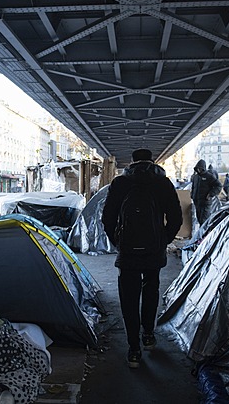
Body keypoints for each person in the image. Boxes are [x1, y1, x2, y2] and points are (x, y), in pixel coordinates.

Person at [101, 148, 182, 369]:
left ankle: (133, 349)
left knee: (128, 298)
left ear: (132, 162)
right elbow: (176, 217)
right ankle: (148, 334)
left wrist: (118, 241)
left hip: (128, 251)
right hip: (153, 251)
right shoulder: (162, 183)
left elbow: (107, 217)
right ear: (152, 161)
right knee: (151, 289)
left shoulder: (120, 184)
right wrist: (163, 240)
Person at [191, 159, 222, 225]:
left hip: (205, 203)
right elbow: (193, 187)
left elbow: (218, 185)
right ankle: (202, 234)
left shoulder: (209, 176)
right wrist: (192, 195)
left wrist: (210, 194)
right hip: (197, 202)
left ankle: (205, 234)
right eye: (197, 168)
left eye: (200, 168)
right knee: (199, 219)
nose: (198, 170)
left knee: (204, 221)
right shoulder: (196, 177)